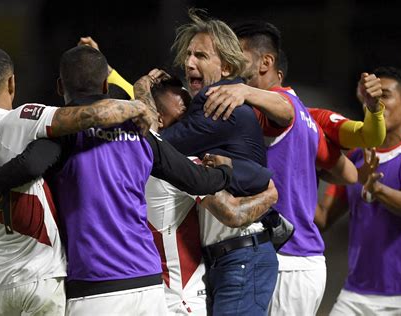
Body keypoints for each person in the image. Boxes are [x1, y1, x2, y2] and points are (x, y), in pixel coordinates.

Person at [0, 45, 153, 315]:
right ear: (11, 82)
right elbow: (93, 115)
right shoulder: (20, 120)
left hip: (0, 281)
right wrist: (137, 105)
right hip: (42, 274)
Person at [134, 9, 288, 315]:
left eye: (201, 56)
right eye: (188, 54)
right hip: (227, 258)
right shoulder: (211, 104)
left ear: (227, 65)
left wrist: (141, 93)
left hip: (242, 255)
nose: (189, 63)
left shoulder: (216, 102)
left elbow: (154, 147)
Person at [201, 20, 359, 315]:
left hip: (289, 258)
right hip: (302, 258)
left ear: (266, 62)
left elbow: (282, 110)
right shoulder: (307, 117)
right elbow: (349, 173)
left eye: (240, 54)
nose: (232, 62)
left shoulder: (281, 106)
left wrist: (243, 92)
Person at [144, 76, 279, 315]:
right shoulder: (179, 167)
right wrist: (270, 194)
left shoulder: (131, 159)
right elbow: (233, 213)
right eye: (183, 109)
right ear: (160, 119)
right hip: (183, 297)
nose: (193, 116)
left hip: (171, 286)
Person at [315, 66, 401, 316]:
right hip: (357, 294)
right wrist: (296, 181)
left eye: (384, 95)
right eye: (371, 97)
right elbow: (322, 218)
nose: (376, 102)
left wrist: (376, 189)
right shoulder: (354, 158)